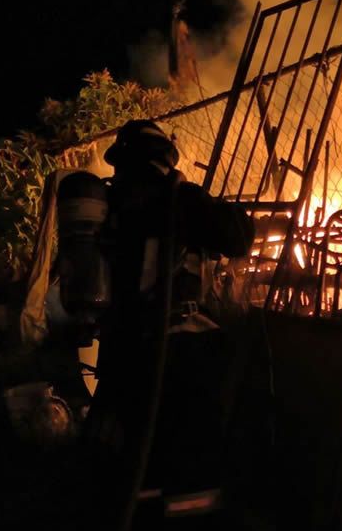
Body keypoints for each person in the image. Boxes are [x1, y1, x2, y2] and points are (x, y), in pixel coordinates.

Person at [82, 120, 254, 528]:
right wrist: (201, 199)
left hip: (121, 348)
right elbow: (239, 238)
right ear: (164, 158)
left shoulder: (105, 208)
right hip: (175, 350)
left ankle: (133, 511)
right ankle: (188, 515)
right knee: (190, 454)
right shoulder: (179, 199)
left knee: (127, 450)